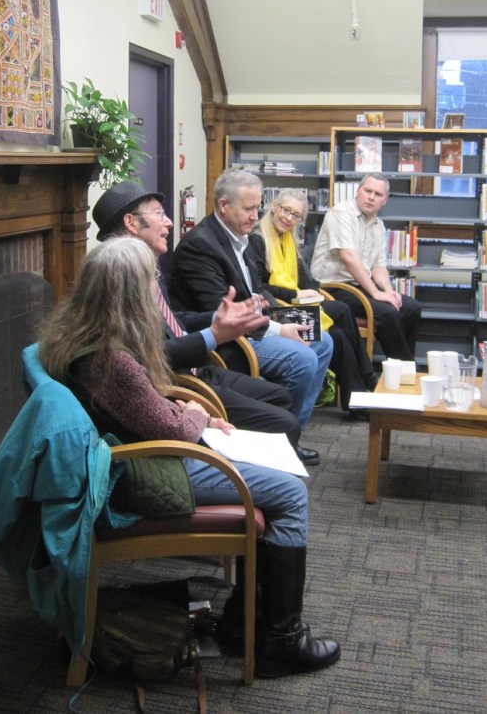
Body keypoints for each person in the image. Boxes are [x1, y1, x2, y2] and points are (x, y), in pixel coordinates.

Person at [37, 236, 341, 679]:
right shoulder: (111, 359)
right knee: (291, 491)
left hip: (134, 456)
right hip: (144, 471)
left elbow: (141, 409)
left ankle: (243, 623)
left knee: (275, 478)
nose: (153, 289)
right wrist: (195, 416)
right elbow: (165, 428)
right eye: (148, 282)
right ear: (129, 292)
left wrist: (188, 414)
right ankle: (281, 638)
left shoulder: (80, 335)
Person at [91, 182, 305, 458]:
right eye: (158, 213)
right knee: (285, 422)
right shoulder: (118, 279)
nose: (169, 221)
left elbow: (171, 321)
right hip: (174, 384)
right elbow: (142, 356)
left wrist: (217, 317)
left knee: (282, 397)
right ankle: (260, 479)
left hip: (196, 368)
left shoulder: (150, 266)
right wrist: (214, 334)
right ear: (131, 223)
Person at [168, 169, 333, 444]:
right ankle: (282, 439)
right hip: (230, 338)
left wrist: (279, 316)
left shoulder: (240, 238)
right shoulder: (199, 245)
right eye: (248, 208)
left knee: (323, 340)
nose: (255, 216)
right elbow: (226, 312)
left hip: (255, 321)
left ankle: (293, 431)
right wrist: (279, 328)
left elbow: (258, 290)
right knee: (303, 359)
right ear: (223, 205)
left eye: (257, 208)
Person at [249, 188, 378, 415]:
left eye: (296, 215)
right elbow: (259, 286)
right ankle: (368, 376)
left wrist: (311, 293)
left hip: (294, 306)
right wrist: (295, 296)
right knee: (340, 309)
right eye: (285, 210)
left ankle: (354, 400)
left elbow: (308, 281)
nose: (289, 218)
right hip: (278, 313)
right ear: (274, 207)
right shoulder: (257, 239)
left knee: (337, 335)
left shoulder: (288, 241)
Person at [310, 173, 421, 360]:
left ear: (384, 201)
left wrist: (389, 291)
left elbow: (379, 267)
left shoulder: (378, 225)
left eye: (377, 194)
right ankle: (402, 369)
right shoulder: (342, 213)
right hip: (333, 287)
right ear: (358, 192)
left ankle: (401, 367)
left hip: (358, 285)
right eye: (367, 191)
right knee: (387, 313)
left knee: (411, 308)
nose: (371, 197)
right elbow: (349, 257)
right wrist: (377, 293)